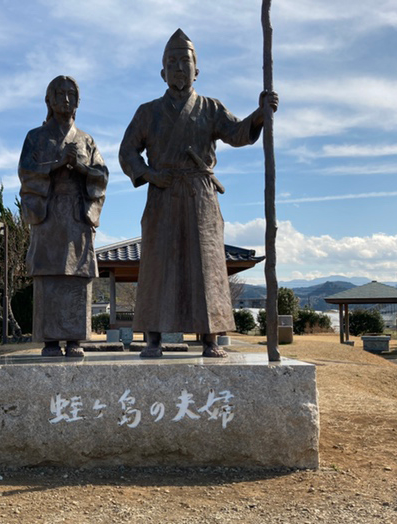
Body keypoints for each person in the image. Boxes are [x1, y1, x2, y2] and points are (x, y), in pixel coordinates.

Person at [119, 29, 278, 358]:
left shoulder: (210, 107)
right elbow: (127, 152)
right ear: (162, 72)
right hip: (162, 194)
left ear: (197, 70)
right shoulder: (147, 112)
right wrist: (149, 174)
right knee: (158, 264)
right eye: (172, 62)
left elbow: (237, 133)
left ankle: (209, 337)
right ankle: (153, 338)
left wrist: (260, 113)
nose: (178, 67)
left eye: (185, 61)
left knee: (206, 265)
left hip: (200, 196)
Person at [19, 75, 108, 357]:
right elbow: (26, 172)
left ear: (78, 101)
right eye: (59, 93)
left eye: (71, 94)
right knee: (49, 269)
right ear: (48, 100)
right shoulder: (35, 137)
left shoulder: (86, 140)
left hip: (76, 214)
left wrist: (81, 168)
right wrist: (57, 164)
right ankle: (50, 340)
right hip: (48, 214)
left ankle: (73, 339)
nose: (65, 99)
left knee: (77, 272)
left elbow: (102, 175)